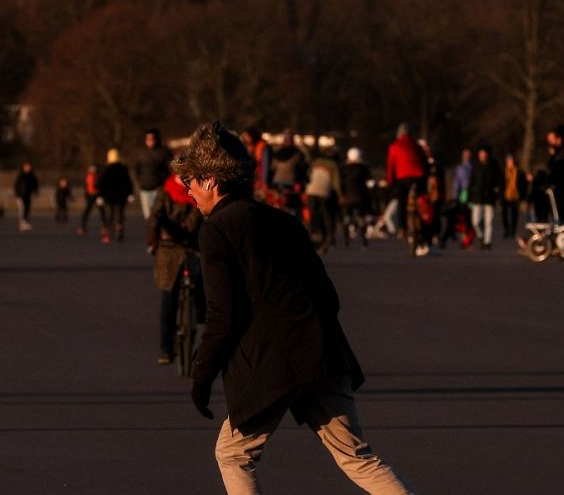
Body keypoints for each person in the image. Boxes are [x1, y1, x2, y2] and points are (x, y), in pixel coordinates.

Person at [175, 121, 412, 495]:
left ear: (211, 181)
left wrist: (201, 376)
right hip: (321, 353)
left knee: (233, 455)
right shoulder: (283, 221)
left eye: (189, 181)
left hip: (271, 364)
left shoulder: (217, 229)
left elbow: (222, 315)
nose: (187, 191)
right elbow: (328, 296)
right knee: (357, 458)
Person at [148, 173, 204, 364]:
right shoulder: (165, 192)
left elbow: (198, 216)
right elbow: (154, 217)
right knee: (169, 296)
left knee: (200, 279)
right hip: (169, 248)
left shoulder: (197, 191)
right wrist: (153, 239)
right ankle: (166, 347)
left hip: (191, 245)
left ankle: (200, 313)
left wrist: (186, 231)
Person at [384, 124, 429, 256]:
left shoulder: (394, 146)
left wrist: (390, 181)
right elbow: (424, 162)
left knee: (402, 202)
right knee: (420, 201)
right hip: (419, 177)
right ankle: (423, 224)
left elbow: (391, 166)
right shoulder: (416, 145)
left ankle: (402, 227)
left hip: (403, 178)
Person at [466, 145, 502, 250]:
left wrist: (498, 193)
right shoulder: (475, 166)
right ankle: (481, 236)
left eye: (485, 153)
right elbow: (471, 182)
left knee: (489, 222)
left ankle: (487, 242)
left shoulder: (493, 165)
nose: (483, 155)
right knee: (475, 222)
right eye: (481, 154)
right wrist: (469, 198)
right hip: (477, 198)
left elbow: (499, 181)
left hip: (489, 199)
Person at [305, 147, 341, 251]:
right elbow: (336, 182)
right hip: (324, 192)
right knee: (326, 215)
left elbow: (308, 174)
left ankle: (312, 234)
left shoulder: (316, 162)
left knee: (312, 215)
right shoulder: (334, 165)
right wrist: (340, 195)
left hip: (311, 191)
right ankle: (329, 237)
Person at [135, 128, 174, 220]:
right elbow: (136, 168)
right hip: (144, 188)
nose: (150, 141)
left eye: (152, 139)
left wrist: (163, 180)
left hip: (159, 187)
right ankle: (151, 233)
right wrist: (139, 180)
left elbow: (170, 168)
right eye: (148, 139)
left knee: (159, 213)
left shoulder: (164, 152)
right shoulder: (141, 153)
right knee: (148, 215)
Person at [339, 148, 373, 248]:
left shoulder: (344, 168)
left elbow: (340, 183)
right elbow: (370, 183)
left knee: (347, 219)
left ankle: (346, 241)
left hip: (347, 198)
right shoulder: (364, 168)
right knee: (361, 218)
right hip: (360, 197)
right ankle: (364, 241)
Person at [98, 148, 134, 244]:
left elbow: (102, 183)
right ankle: (119, 229)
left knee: (110, 215)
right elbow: (128, 182)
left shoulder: (106, 169)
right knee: (120, 214)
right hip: (121, 196)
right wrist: (130, 193)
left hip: (109, 196)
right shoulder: (123, 168)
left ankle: (109, 234)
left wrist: (100, 195)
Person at [501, 153, 523, 239]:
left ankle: (513, 231)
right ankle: (506, 230)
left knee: (514, 215)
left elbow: (522, 183)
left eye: (511, 160)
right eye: (508, 160)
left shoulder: (518, 171)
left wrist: (522, 194)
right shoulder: (503, 171)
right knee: (505, 214)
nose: (510, 162)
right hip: (505, 196)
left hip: (515, 196)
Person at [13, 161, 39, 232]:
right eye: (26, 166)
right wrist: (17, 194)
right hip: (21, 195)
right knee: (22, 208)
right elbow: (17, 185)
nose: (28, 168)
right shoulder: (21, 176)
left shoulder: (32, 175)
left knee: (27, 208)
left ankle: (25, 222)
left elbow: (35, 184)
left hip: (28, 195)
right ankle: (22, 222)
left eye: (29, 166)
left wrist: (36, 191)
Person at [78, 164, 102, 235]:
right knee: (88, 210)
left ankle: (105, 226)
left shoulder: (97, 177)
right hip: (91, 195)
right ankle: (82, 226)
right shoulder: (90, 177)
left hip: (96, 195)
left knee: (101, 210)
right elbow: (87, 187)